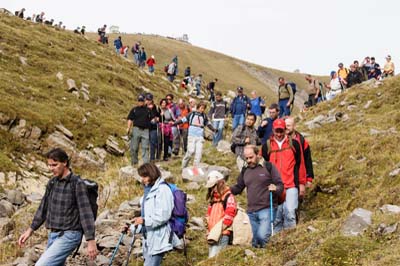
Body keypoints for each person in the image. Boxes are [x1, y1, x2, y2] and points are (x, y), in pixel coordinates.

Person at [18, 148, 97, 265]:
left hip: (71, 235)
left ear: (65, 163)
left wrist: (91, 241)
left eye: (54, 165)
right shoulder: (52, 183)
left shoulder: (77, 184)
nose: (51, 169)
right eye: (49, 165)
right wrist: (30, 231)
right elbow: (43, 209)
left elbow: (86, 213)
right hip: (53, 234)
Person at [230, 145, 284, 248]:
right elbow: (239, 187)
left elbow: (280, 185)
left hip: (267, 208)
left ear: (258, 154)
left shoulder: (268, 166)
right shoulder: (245, 170)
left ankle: (270, 256)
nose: (249, 160)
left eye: (251, 157)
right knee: (254, 240)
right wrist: (227, 190)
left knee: (262, 236)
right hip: (251, 211)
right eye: (246, 158)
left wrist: (275, 188)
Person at [127, 163, 175, 266]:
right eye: (141, 177)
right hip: (148, 239)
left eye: (145, 176)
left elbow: (163, 215)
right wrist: (131, 228)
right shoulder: (148, 191)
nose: (142, 179)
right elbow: (147, 217)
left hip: (158, 239)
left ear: (152, 174)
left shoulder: (163, 190)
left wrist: (144, 221)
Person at [261, 119, 301, 232]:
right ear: (273, 130)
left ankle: (290, 238)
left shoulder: (294, 144)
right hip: (275, 187)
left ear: (285, 130)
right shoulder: (267, 146)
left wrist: (302, 183)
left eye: (281, 131)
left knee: (290, 212)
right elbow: (264, 168)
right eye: (276, 131)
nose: (279, 134)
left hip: (291, 184)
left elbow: (300, 165)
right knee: (277, 216)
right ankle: (277, 241)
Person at [174, 101, 216, 168]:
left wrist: (213, 129)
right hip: (191, 136)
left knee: (198, 154)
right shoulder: (191, 114)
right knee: (190, 151)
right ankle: (184, 166)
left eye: (204, 108)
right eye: (201, 108)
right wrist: (175, 123)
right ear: (198, 107)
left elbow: (208, 124)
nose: (202, 110)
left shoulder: (204, 116)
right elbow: (183, 120)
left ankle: (195, 168)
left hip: (200, 137)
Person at [205, 171, 237, 258]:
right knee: (211, 259)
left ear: (220, 183)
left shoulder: (228, 197)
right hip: (212, 235)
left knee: (217, 259)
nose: (212, 189)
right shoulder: (213, 199)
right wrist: (208, 230)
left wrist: (216, 231)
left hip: (222, 234)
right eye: (211, 187)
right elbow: (208, 215)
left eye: (214, 186)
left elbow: (229, 217)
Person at [285, 117, 314, 194]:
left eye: (288, 126)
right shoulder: (281, 141)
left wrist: (309, 178)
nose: (286, 128)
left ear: (294, 126)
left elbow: (307, 160)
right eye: (285, 126)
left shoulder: (302, 142)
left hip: (298, 177)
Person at [127, 94, 151, 166]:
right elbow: (130, 119)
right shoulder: (134, 109)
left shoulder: (148, 110)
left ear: (144, 101)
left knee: (145, 148)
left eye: (142, 101)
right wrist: (128, 128)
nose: (140, 102)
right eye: (139, 101)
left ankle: (146, 164)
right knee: (134, 147)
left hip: (145, 130)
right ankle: (134, 163)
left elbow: (153, 118)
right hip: (136, 129)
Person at [146, 93, 161, 162]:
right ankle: (145, 158)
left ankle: (152, 158)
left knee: (153, 143)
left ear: (152, 100)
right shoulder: (144, 107)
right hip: (146, 127)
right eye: (147, 99)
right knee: (146, 143)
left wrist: (158, 118)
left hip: (154, 128)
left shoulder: (156, 107)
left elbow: (160, 117)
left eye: (149, 99)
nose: (148, 101)